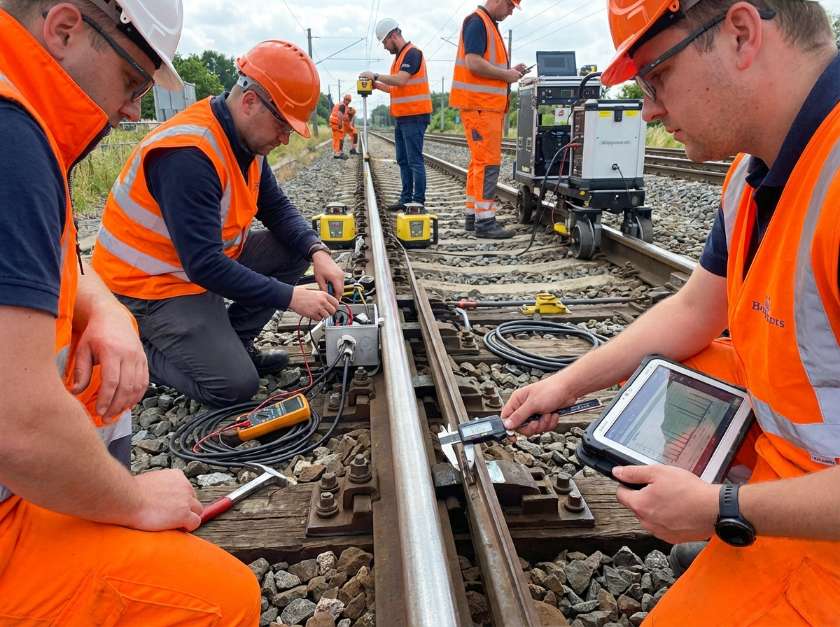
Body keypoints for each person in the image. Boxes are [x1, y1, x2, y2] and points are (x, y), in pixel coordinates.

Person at [501, 0, 839, 624]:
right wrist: (565, 384)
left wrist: (725, 508)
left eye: (655, 78)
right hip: (806, 464)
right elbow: (692, 310)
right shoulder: (754, 174)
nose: (649, 110)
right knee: (697, 362)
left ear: (739, 33)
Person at [0, 0, 259, 622]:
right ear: (64, 29)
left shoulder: (24, 121)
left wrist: (105, 310)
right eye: (133, 81)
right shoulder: (14, 144)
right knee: (223, 602)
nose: (132, 110)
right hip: (156, 290)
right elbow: (18, 424)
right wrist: (133, 502)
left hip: (135, 300)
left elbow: (46, 263)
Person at [92, 40, 344, 408]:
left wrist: (317, 251)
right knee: (234, 387)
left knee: (293, 248)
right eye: (282, 124)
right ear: (249, 102)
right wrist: (291, 298)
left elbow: (275, 206)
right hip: (148, 288)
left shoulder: (246, 141)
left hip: (187, 270)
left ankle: (235, 345)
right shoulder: (189, 155)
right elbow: (205, 266)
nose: (285, 137)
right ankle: (132, 345)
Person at [450, 0, 527, 239]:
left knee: (479, 163)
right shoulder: (477, 22)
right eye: (510, 5)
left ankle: (473, 217)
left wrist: (510, 70)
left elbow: (484, 64)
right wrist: (507, 75)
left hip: (484, 107)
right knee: (488, 164)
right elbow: (474, 64)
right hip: (481, 107)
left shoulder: (487, 24)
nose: (511, 11)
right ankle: (485, 222)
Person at [360, 17, 432, 211]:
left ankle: (418, 201)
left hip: (415, 116)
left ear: (393, 36)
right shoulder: (399, 58)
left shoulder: (412, 53)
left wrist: (375, 75)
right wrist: (376, 85)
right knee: (402, 160)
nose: (384, 47)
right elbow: (396, 89)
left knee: (414, 161)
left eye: (384, 42)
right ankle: (405, 199)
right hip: (403, 118)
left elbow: (400, 80)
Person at [329, 94, 350, 159]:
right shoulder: (342, 105)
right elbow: (340, 114)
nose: (348, 102)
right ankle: (338, 153)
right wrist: (340, 123)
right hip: (337, 123)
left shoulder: (339, 104)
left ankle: (336, 152)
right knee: (339, 138)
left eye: (349, 100)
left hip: (333, 123)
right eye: (347, 100)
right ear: (344, 99)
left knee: (335, 138)